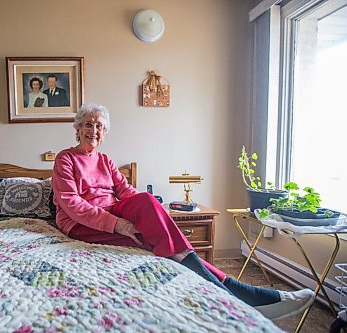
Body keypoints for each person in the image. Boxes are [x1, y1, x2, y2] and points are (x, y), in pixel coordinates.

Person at [51, 102, 315, 321]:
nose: (93, 130)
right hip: (81, 223)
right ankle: (242, 293)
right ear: (77, 129)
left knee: (146, 201)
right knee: (153, 242)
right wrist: (120, 225)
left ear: (105, 131)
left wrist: (154, 212)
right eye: (88, 124)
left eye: (99, 126)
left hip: (112, 211)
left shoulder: (106, 160)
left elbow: (129, 193)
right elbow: (72, 204)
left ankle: (235, 289)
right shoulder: (66, 158)